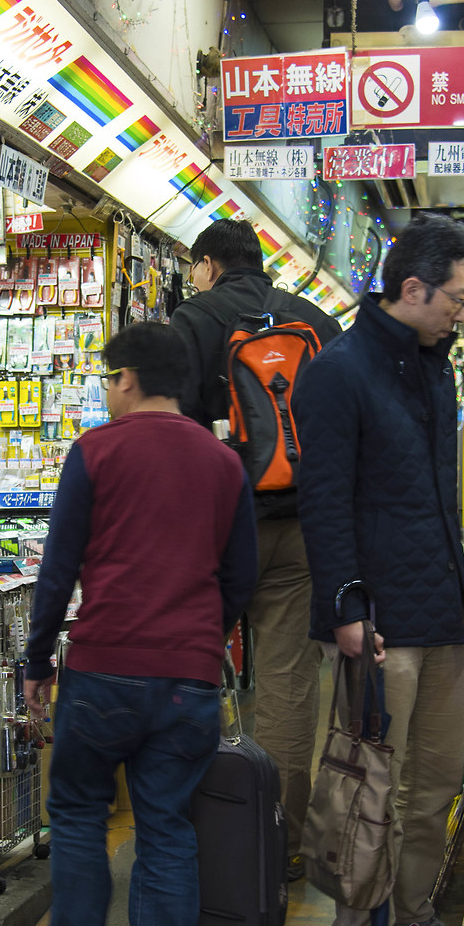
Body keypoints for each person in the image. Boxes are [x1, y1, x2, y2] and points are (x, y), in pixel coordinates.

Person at [22, 321, 258, 926]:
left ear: (125, 378)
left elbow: (58, 568)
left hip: (103, 670)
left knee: (77, 811)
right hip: (187, 679)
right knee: (166, 824)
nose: (106, 391)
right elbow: (240, 576)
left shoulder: (95, 451)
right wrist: (199, 639)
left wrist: (38, 659)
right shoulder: (223, 463)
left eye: (106, 379)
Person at [293, 212, 464, 926]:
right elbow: (323, 501)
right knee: (367, 788)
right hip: (376, 624)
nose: (461, 312)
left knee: (432, 782)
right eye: (456, 299)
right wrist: (345, 608)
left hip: (440, 610)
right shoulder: (339, 371)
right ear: (413, 288)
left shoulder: (434, 366)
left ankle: (410, 918)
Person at [170, 218, 340, 874]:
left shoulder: (194, 320)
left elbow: (172, 432)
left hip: (212, 528)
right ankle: (278, 841)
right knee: (287, 688)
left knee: (192, 672)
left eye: (193, 267)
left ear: (209, 264)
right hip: (297, 530)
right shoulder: (316, 322)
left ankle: (202, 828)